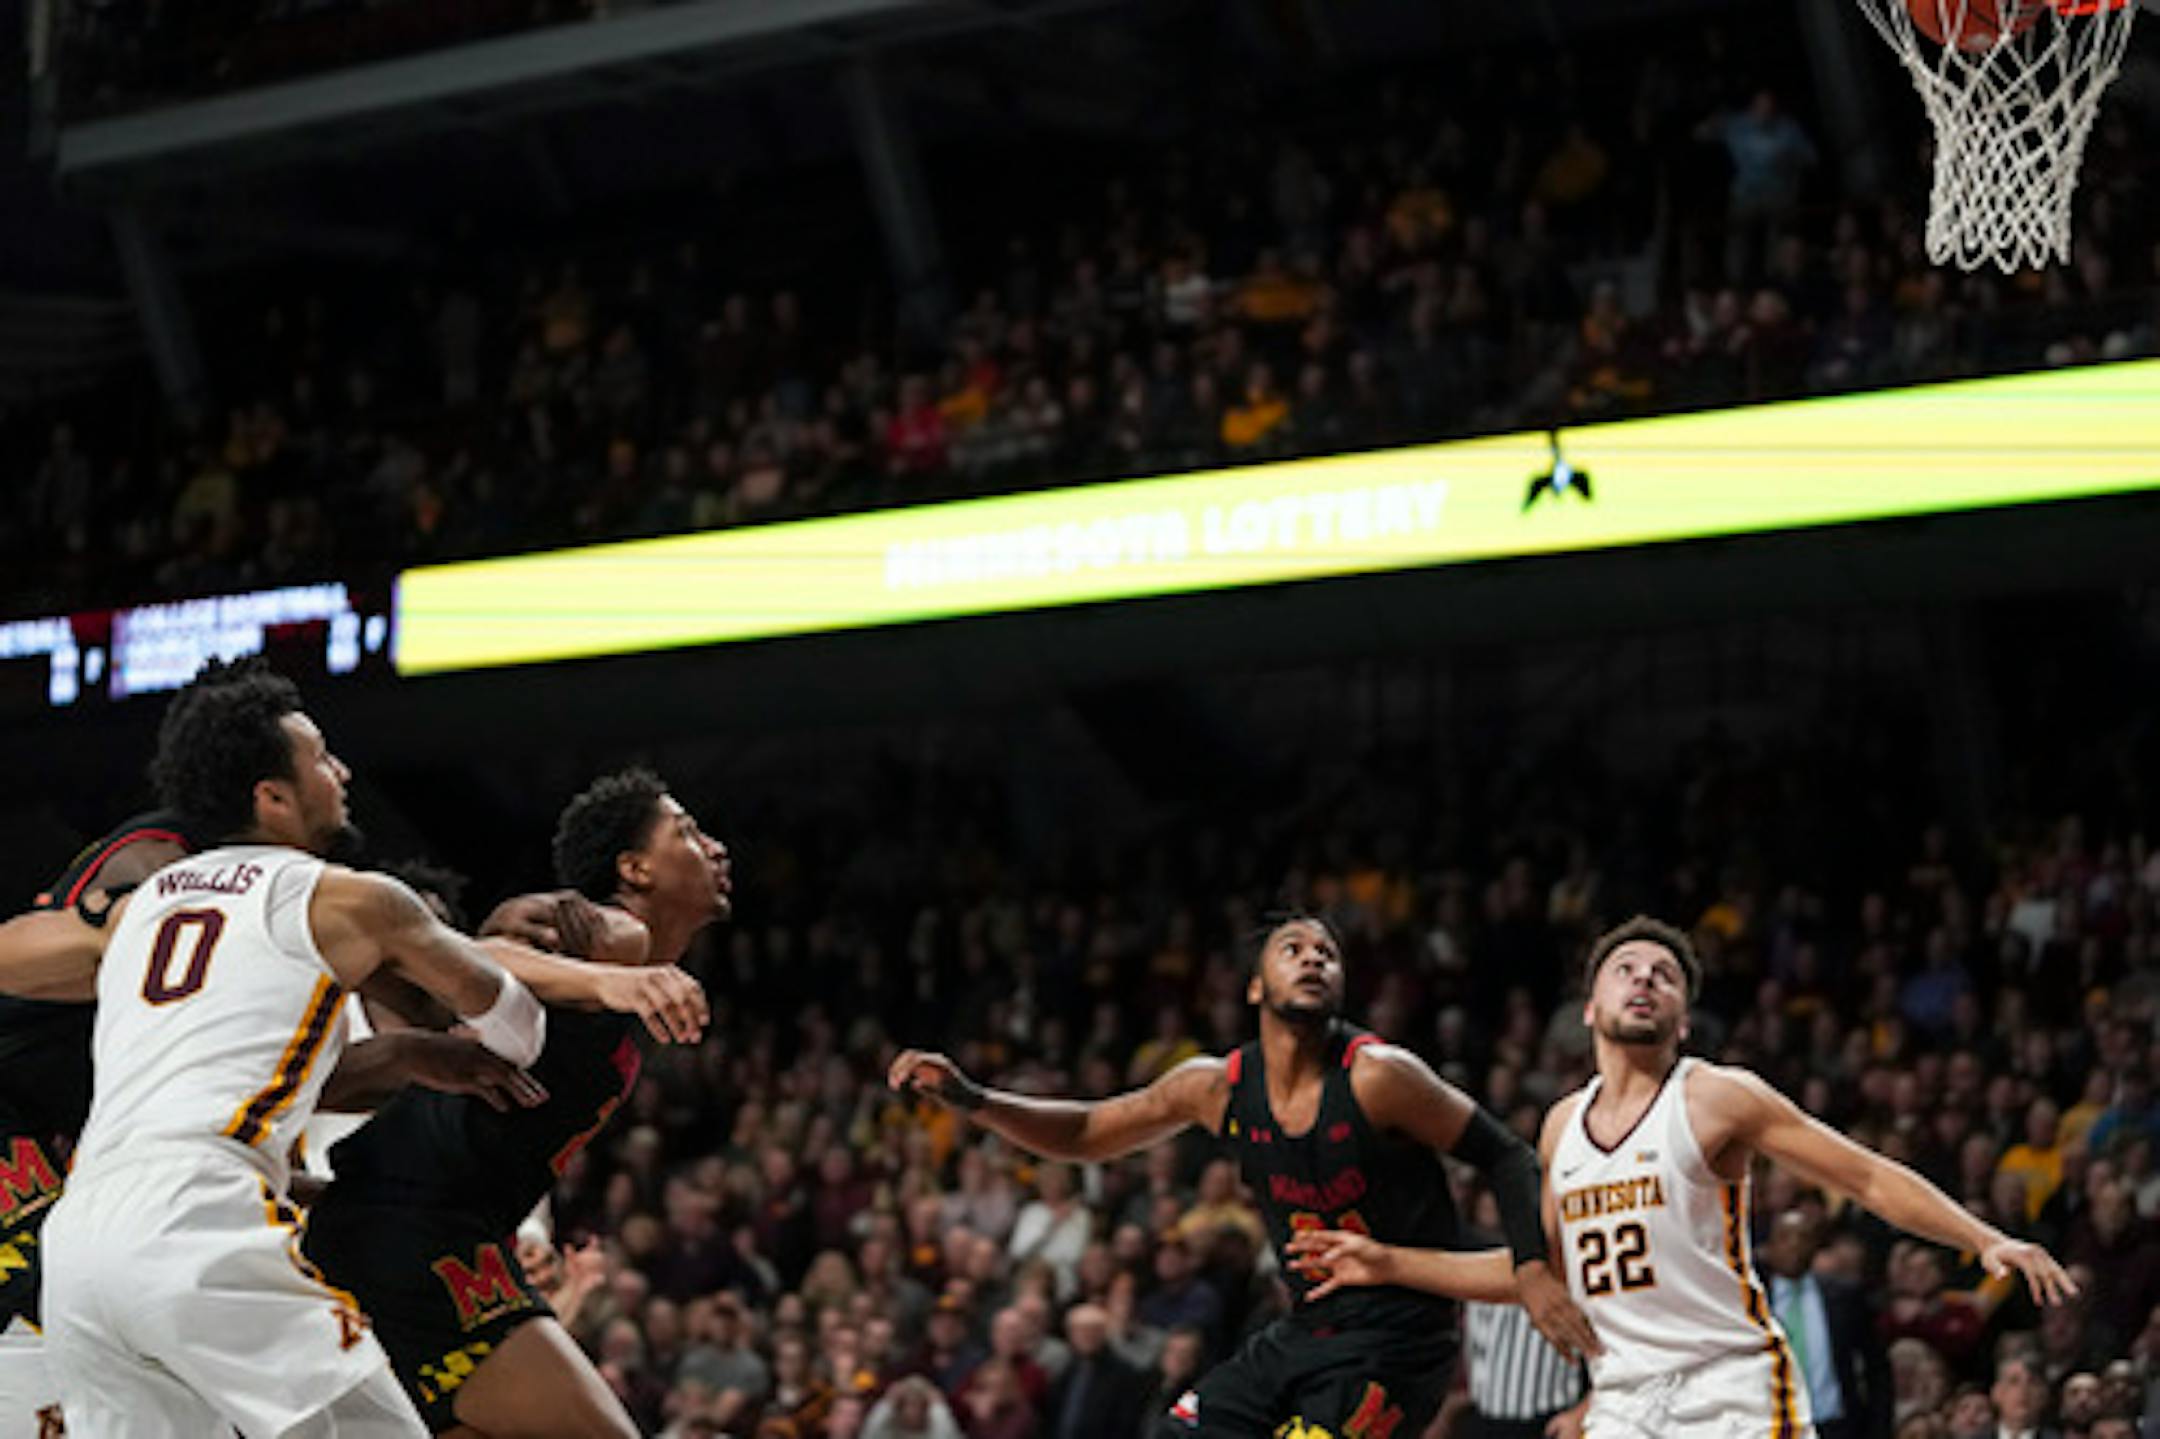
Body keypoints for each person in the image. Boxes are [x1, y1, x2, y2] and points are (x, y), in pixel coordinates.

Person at [0, 657, 561, 1437]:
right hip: (197, 1212)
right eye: (323, 758)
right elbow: (515, 1021)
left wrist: (398, 1059)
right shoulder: (350, 896)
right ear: (272, 796)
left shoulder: (136, 912)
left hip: (79, 1237)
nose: (342, 770)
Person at [1292, 914, 2076, 1439]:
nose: (1643, 979)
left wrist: (1984, 1238)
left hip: (1726, 1383)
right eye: (1624, 969)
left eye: (1663, 974)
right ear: (1590, 1008)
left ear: (1684, 1016)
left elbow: (1867, 1177)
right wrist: (1390, 1262)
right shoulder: (1561, 1123)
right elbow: (1541, 1273)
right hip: (1626, 1398)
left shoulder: (1715, 1096)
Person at [890, 914, 1595, 1438]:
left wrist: (1532, 1268)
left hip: (1397, 1345)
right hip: (1305, 1329)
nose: (1315, 958)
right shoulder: (1216, 1086)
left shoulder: (1381, 1077)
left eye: (1328, 953)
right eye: (1294, 949)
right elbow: (1084, 1131)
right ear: (1256, 985)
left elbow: (1507, 1154)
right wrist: (975, 1101)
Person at [304, 767, 728, 1439]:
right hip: (418, 1223)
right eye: (687, 832)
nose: (715, 847)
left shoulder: (633, 963)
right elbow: (478, 954)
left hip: (411, 1229)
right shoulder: (615, 936)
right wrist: (612, 983)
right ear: (635, 867)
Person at [1760, 1210, 1892, 1439]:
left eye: (1803, 1238)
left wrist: (1878, 1429)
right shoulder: (1750, 1300)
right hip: (1769, 1425)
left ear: (1815, 1247)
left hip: (1836, 1427)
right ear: (1769, 1246)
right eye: (1785, 1237)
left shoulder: (1845, 1296)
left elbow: (1877, 1369)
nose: (1794, 1245)